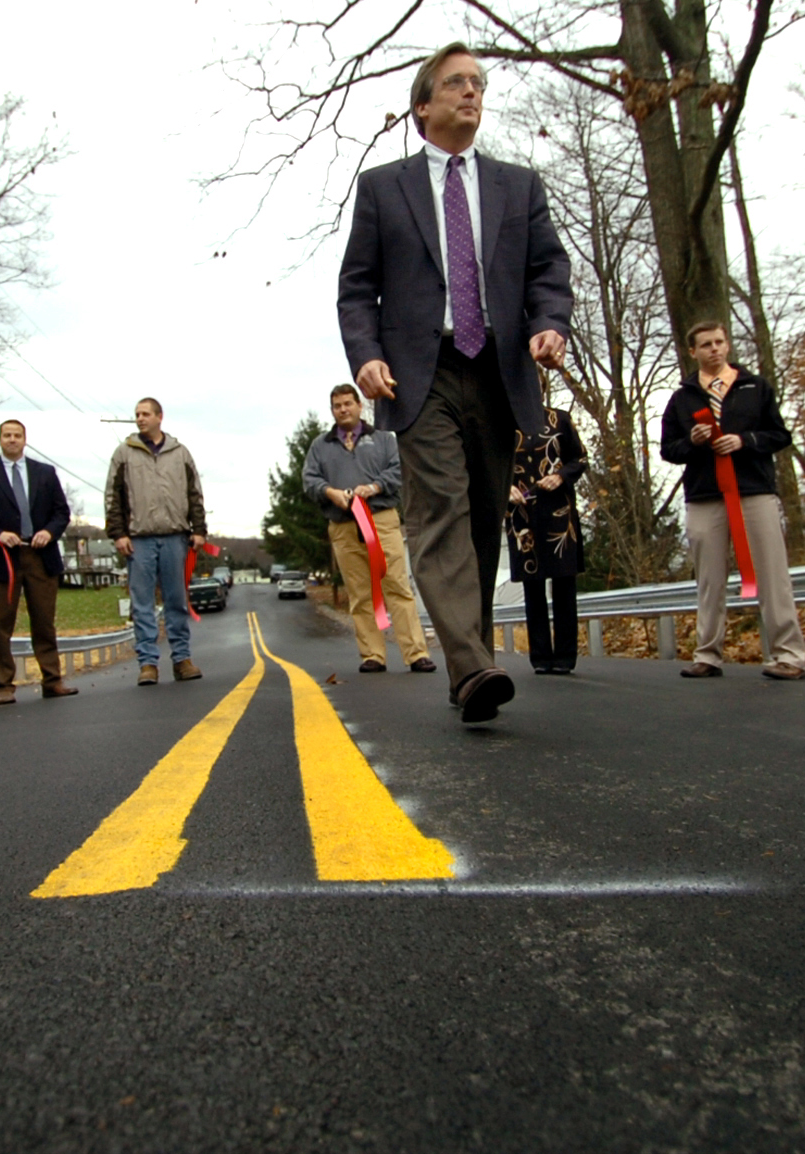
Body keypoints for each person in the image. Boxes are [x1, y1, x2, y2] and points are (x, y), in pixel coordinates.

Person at [336, 41, 573, 723]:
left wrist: (548, 323)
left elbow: (547, 272)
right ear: (423, 105)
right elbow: (358, 289)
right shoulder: (384, 187)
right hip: (421, 373)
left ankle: (465, 667)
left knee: (480, 522)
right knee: (439, 510)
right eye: (457, 83)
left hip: (499, 368)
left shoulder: (518, 185)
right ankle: (473, 666)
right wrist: (366, 355)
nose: (472, 93)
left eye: (479, 83)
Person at [658, 321, 805, 680]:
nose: (714, 349)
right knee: (709, 579)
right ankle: (708, 654)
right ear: (692, 352)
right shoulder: (683, 398)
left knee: (772, 573)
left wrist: (745, 441)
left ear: (727, 345)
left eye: (719, 342)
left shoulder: (755, 388)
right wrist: (692, 442)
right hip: (705, 495)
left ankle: (788, 654)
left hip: (753, 491)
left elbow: (779, 434)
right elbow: (669, 450)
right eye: (706, 344)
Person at [302, 383, 438, 675]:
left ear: (359, 406)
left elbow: (398, 469)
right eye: (337, 406)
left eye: (348, 404)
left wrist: (374, 487)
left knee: (397, 587)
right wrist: (330, 492)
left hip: (381, 519)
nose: (343, 410)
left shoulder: (384, 439)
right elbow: (309, 480)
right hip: (342, 525)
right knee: (360, 592)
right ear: (332, 410)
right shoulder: (320, 446)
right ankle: (373, 654)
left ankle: (416, 653)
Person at [0, 419, 77, 705]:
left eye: (17, 435)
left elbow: (61, 513)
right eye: (7, 435)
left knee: (44, 621)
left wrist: (49, 532)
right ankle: (2, 685)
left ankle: (52, 680)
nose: (12, 440)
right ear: (0, 439)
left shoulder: (45, 473)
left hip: (40, 556)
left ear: (25, 439)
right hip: (0, 559)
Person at [105, 397, 208, 686]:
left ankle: (182, 659)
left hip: (175, 537)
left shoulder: (180, 453)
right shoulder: (123, 453)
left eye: (145, 414)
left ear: (159, 417)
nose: (140, 419)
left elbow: (194, 494)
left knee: (176, 601)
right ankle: (148, 663)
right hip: (139, 540)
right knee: (142, 604)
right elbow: (113, 497)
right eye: (137, 414)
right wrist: (118, 533)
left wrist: (198, 530)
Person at [506, 405, 586, 675]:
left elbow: (580, 459)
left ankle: (565, 655)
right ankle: (540, 656)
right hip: (522, 514)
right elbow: (490, 465)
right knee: (533, 584)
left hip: (558, 512)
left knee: (564, 582)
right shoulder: (502, 423)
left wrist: (561, 476)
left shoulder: (559, 420)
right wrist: (506, 487)